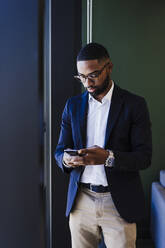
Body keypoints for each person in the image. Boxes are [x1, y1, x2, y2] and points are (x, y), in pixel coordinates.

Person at [55, 43, 152, 248]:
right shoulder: (72, 106)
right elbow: (59, 150)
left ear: (109, 67)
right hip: (81, 200)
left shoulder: (134, 105)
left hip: (119, 203)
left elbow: (144, 157)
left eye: (93, 75)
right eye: (81, 77)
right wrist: (66, 159)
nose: (87, 82)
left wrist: (108, 157)